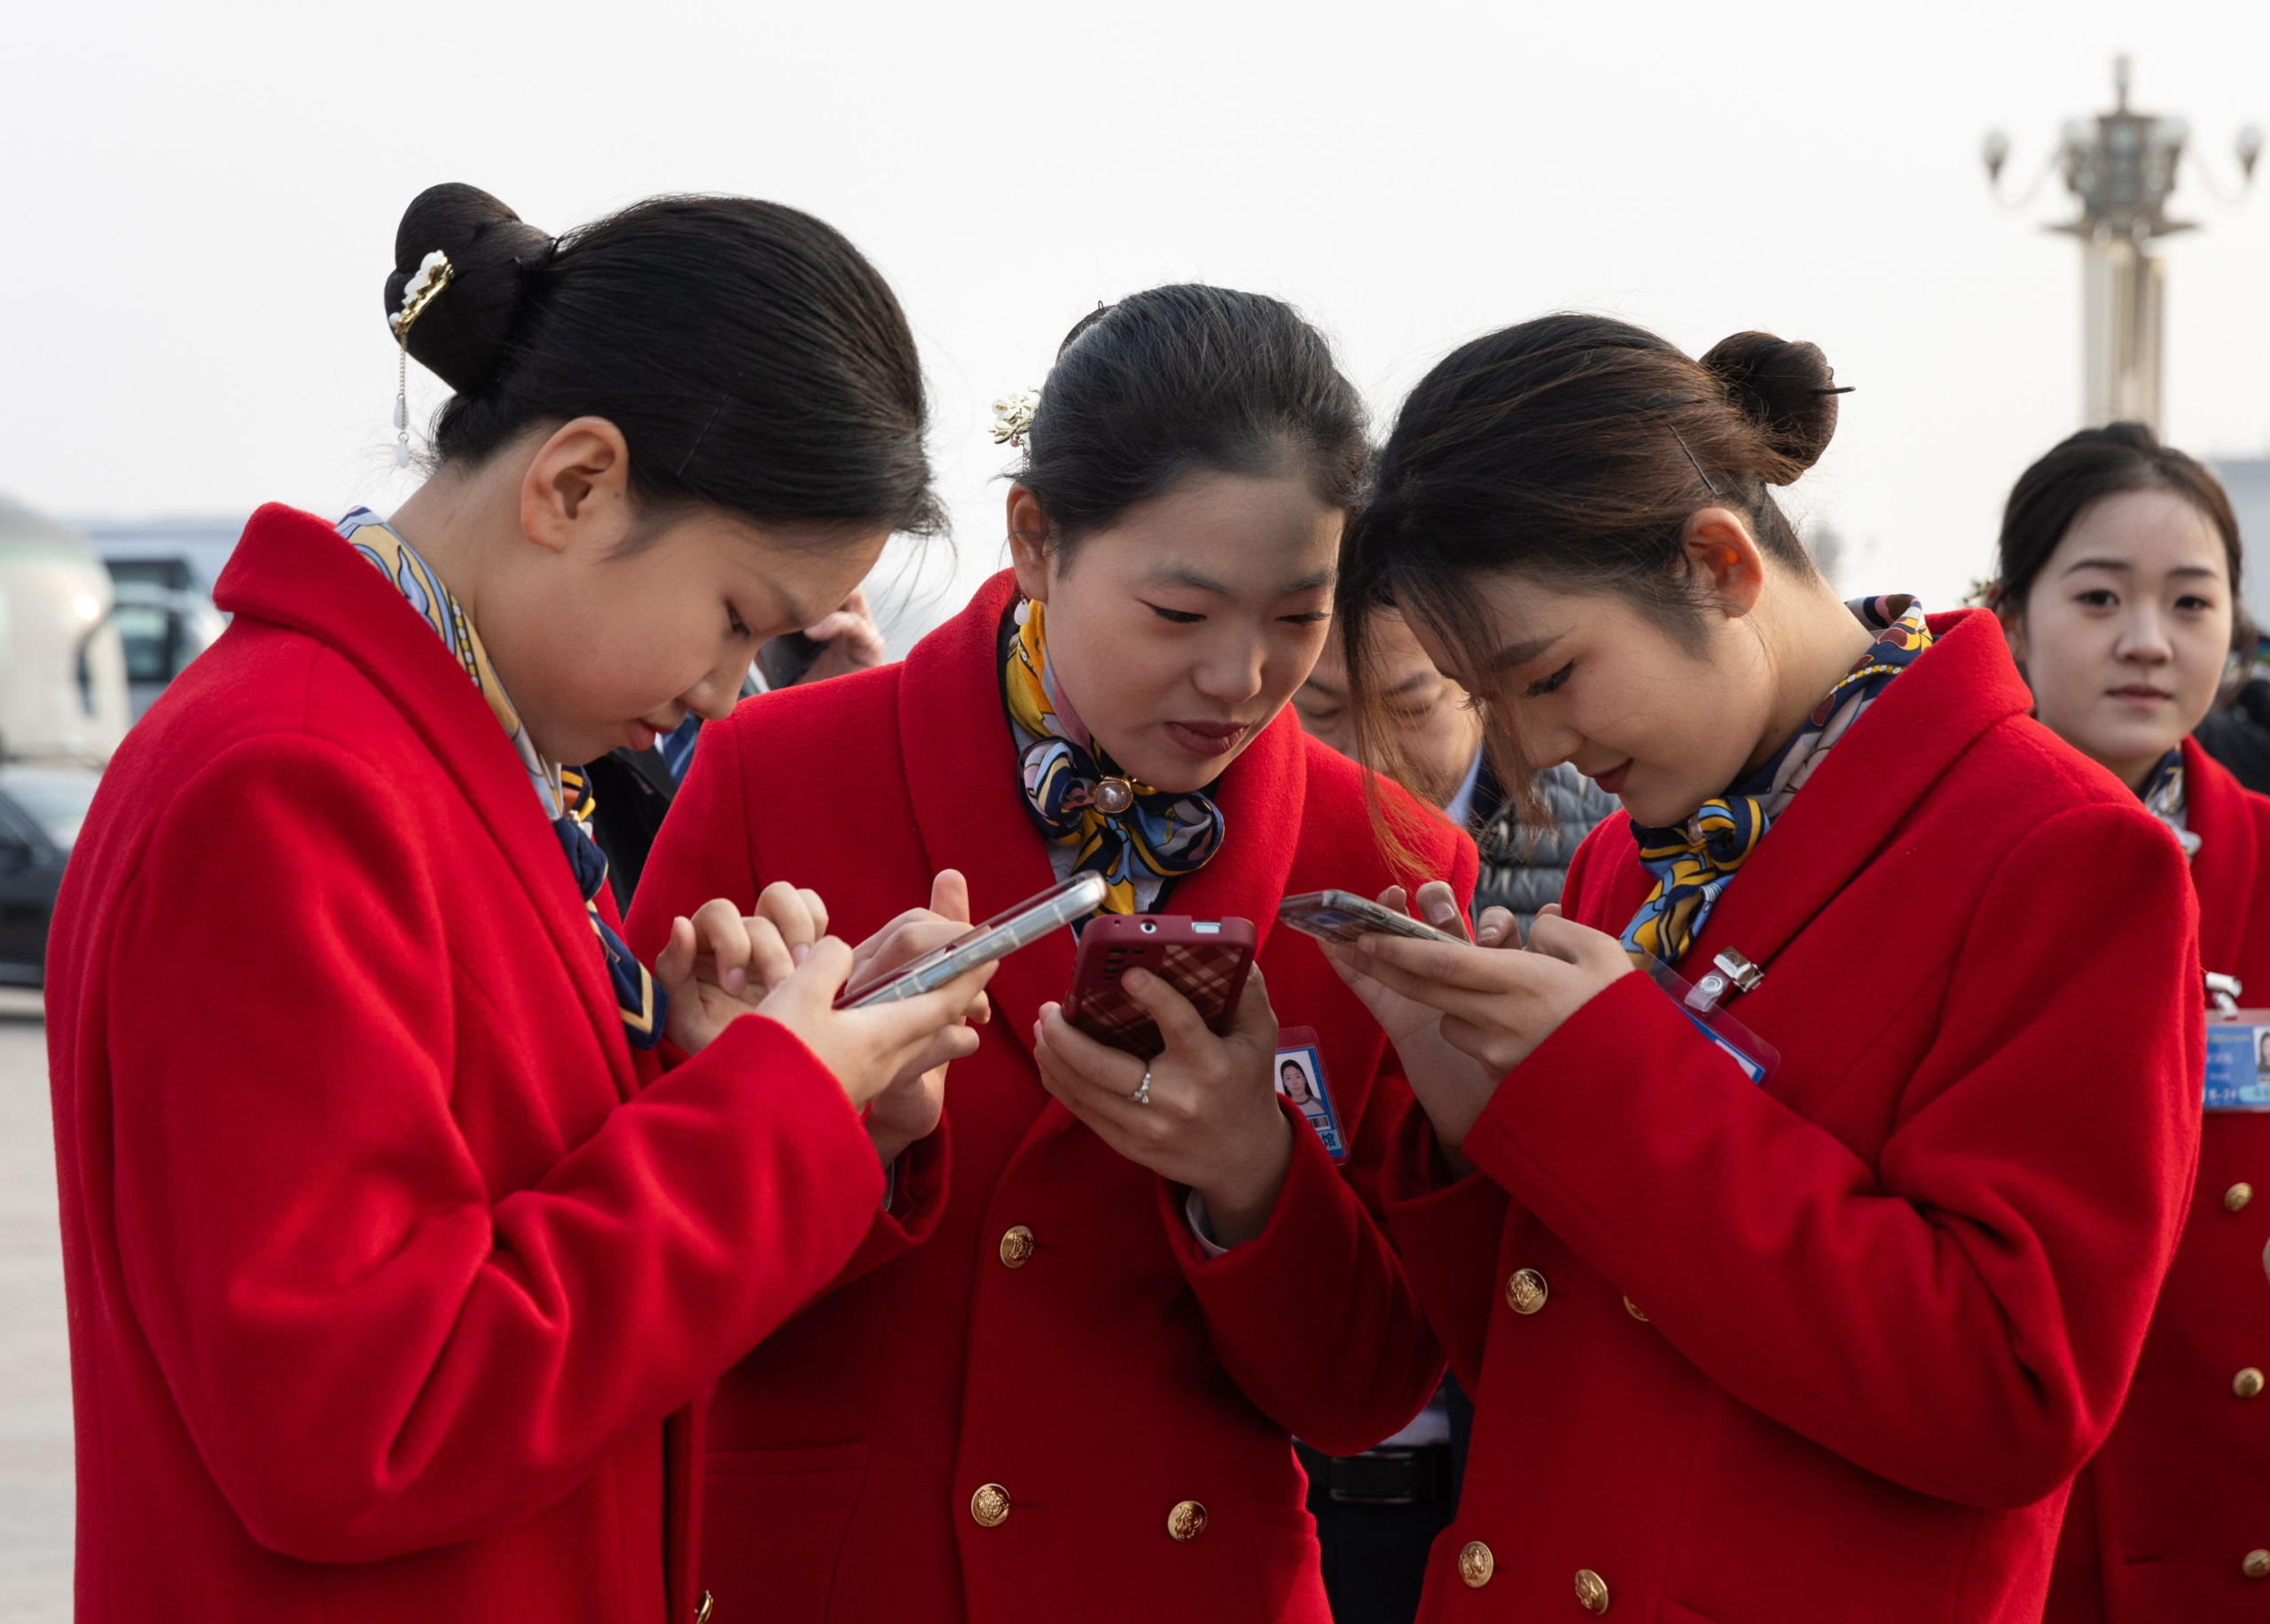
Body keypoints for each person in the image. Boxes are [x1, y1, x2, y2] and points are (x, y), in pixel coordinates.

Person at [43, 183, 992, 1623]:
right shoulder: (294, 783)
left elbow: (503, 1243)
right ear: (573, 484)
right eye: (738, 615)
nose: (729, 689)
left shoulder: (433, 749)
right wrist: (765, 1115)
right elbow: (364, 1417)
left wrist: (730, 1083)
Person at [1324, 316, 2201, 1623]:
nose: (1536, 751)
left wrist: (1602, 1089)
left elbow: (2015, 1393)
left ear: (1718, 565)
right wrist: (1471, 1131)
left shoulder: (2064, 854)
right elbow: (1568, 1358)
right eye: (1489, 701)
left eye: (1551, 676)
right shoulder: (1630, 860)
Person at [626, 285, 1477, 1623]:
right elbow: (628, 1281)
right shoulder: (772, 777)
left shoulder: (1393, 869)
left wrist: (1250, 1171)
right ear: (1035, 539)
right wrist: (836, 1124)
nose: (1239, 680)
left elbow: (1368, 1391)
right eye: (1180, 615)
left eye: (1299, 618)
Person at [1985, 424, 2270, 1619]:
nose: (2148, 641)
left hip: (2228, 1504)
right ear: (2010, 619)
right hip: (2014, 1499)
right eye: (2099, 596)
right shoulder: (1932, 861)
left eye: (2191, 602)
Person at [1298, 612, 1619, 940]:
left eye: (1412, 709)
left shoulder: (1616, 839)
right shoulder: (1253, 829)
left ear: (1483, 690)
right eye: (1321, 710)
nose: (1371, 760)